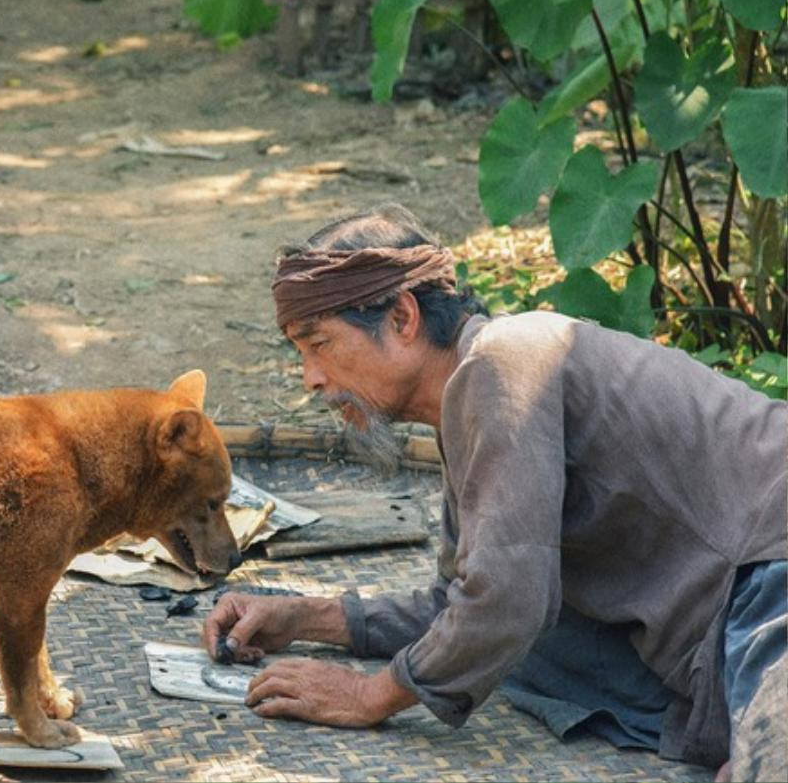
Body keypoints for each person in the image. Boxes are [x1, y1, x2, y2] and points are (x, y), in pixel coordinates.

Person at [203, 203, 786, 779]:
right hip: (723, 617)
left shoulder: (503, 362)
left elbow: (507, 598)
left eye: (319, 344)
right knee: (522, 655)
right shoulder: (474, 397)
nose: (311, 379)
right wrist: (306, 617)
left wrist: (368, 696)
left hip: (770, 572)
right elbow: (462, 605)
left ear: (402, 319)